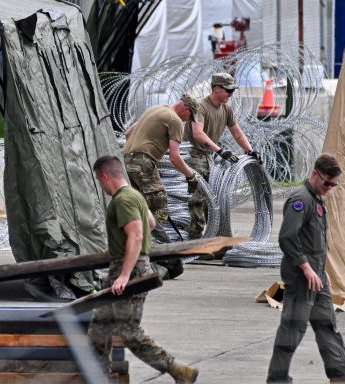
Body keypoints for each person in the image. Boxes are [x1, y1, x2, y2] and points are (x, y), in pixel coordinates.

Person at [89, 155, 198, 384]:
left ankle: (178, 370)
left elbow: (137, 234)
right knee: (100, 326)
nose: (102, 186)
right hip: (123, 268)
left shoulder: (123, 200)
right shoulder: (135, 196)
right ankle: (98, 377)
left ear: (105, 176)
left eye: (100, 181)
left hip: (131, 270)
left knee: (128, 332)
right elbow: (150, 222)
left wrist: (125, 275)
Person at [267, 154, 345, 383]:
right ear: (315, 174)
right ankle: (277, 379)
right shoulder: (301, 200)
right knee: (292, 328)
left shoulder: (318, 198)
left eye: (334, 184)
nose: (329, 187)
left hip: (316, 276)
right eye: (327, 182)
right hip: (301, 276)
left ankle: (340, 374)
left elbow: (314, 242)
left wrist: (320, 270)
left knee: (326, 324)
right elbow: (287, 238)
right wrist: (307, 268)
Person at [122, 94, 199, 279]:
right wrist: (191, 176)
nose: (188, 121)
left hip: (125, 160)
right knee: (159, 209)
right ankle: (160, 258)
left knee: (138, 208)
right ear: (186, 110)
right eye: (190, 117)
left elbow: (127, 134)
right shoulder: (175, 120)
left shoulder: (154, 109)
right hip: (143, 163)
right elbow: (174, 156)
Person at [185, 72, 261, 241]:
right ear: (217, 89)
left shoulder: (226, 108)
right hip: (193, 156)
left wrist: (250, 150)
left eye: (232, 91)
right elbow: (198, 133)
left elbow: (237, 133)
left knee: (212, 199)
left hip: (208, 157)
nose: (231, 94)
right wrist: (220, 150)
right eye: (228, 90)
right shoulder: (200, 107)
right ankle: (194, 240)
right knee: (197, 198)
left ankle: (210, 238)